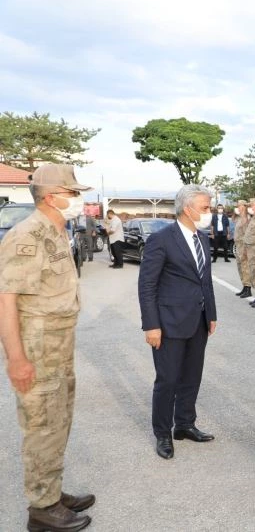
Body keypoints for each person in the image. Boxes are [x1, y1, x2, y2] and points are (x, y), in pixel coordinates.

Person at [0, 164, 95, 532]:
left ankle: (51, 491)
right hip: (37, 347)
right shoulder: (28, 235)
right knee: (41, 424)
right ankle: (41, 509)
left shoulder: (57, 230)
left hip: (59, 343)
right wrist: (17, 359)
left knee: (58, 421)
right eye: (72, 193)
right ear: (52, 196)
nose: (77, 200)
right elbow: (6, 299)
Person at [138, 184, 218, 460]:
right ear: (188, 209)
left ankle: (184, 424)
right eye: (205, 208)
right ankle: (163, 433)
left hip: (198, 320)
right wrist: (151, 325)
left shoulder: (202, 239)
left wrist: (212, 314)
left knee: (191, 376)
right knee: (168, 379)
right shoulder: (162, 240)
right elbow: (147, 285)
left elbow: (204, 280)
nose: (210, 213)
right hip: (169, 322)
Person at [233, 200, 251, 297]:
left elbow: (246, 235)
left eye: (238, 206)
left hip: (243, 245)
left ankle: (248, 288)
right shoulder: (240, 218)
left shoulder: (246, 219)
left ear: (244, 207)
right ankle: (244, 287)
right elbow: (233, 219)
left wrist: (245, 249)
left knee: (245, 267)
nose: (237, 208)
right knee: (240, 267)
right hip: (238, 245)